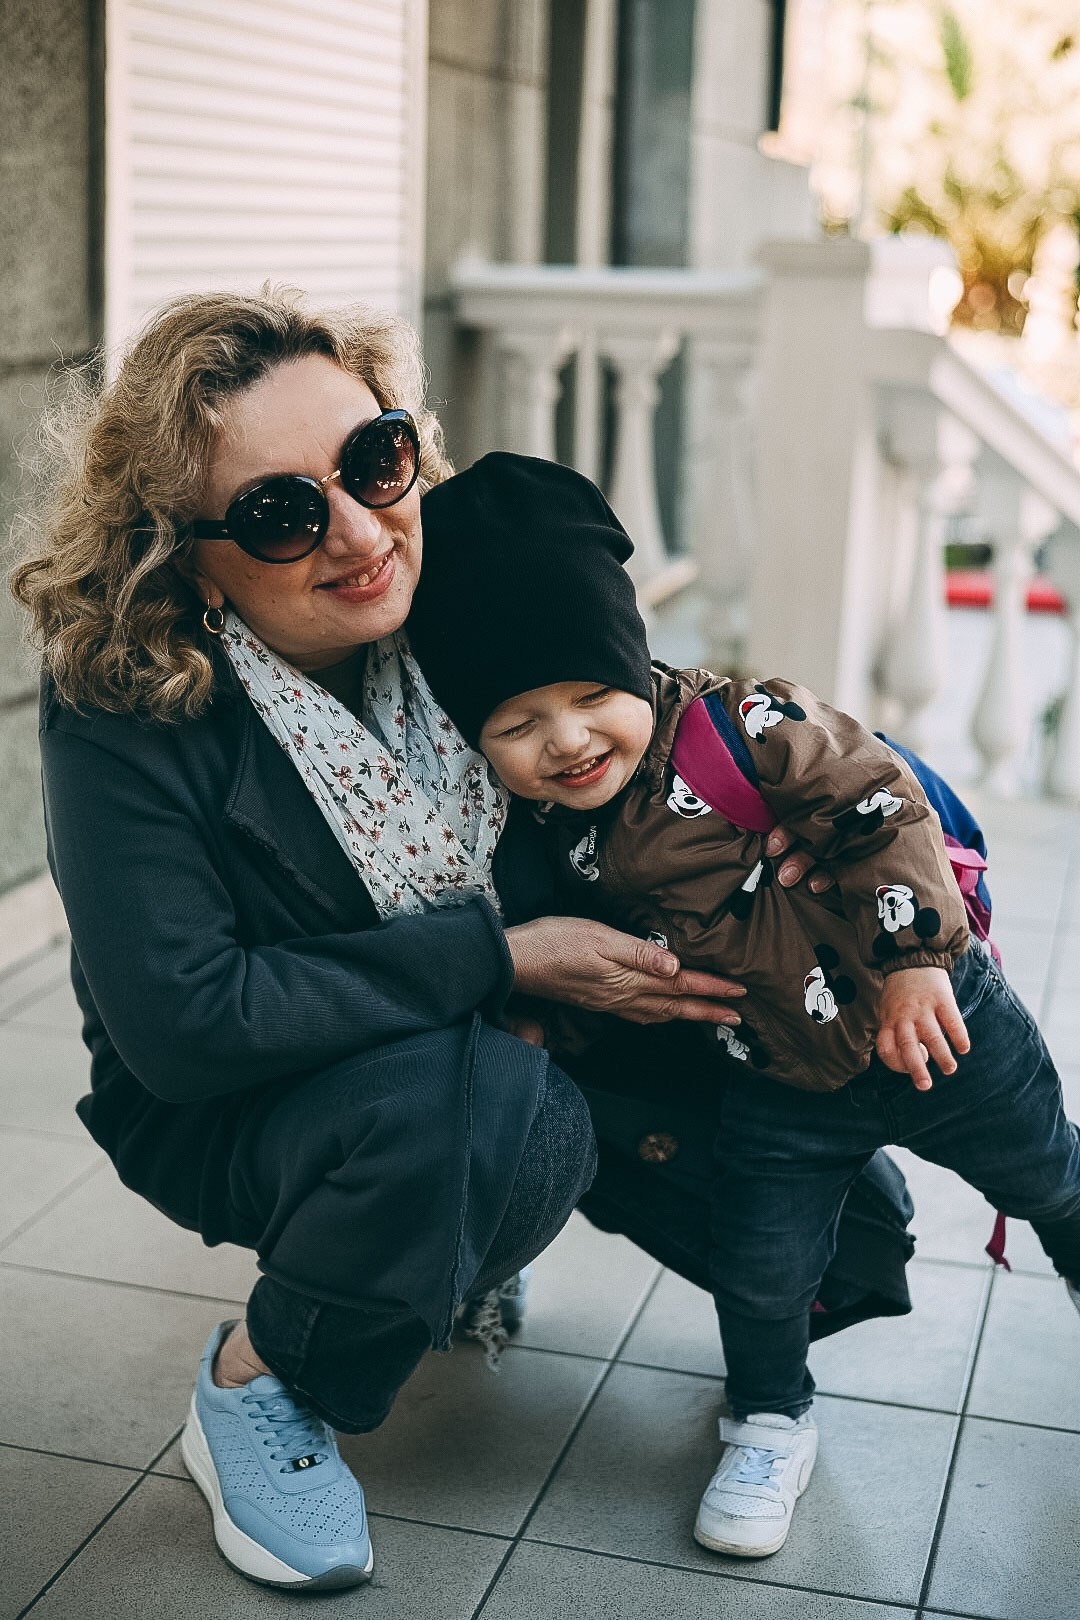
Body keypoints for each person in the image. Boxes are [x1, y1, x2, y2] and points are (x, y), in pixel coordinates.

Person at [10, 288, 915, 1595]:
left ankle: (442, 1237)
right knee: (501, 1117)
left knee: (839, 1216)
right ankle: (259, 1384)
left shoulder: (452, 593)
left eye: (373, 461)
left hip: (505, 1032)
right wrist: (501, 959)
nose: (360, 530)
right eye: (280, 513)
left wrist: (796, 854)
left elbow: (661, 724)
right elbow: (187, 1021)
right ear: (185, 553)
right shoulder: (128, 698)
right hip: (239, 1096)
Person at [409, 449, 1080, 1560]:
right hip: (777, 1080)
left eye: (590, 696)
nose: (566, 740)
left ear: (632, 658)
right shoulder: (540, 835)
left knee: (1045, 1171)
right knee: (761, 1267)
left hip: (934, 1023)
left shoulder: (745, 724)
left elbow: (881, 800)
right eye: (519, 724)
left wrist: (920, 959)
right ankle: (769, 1421)